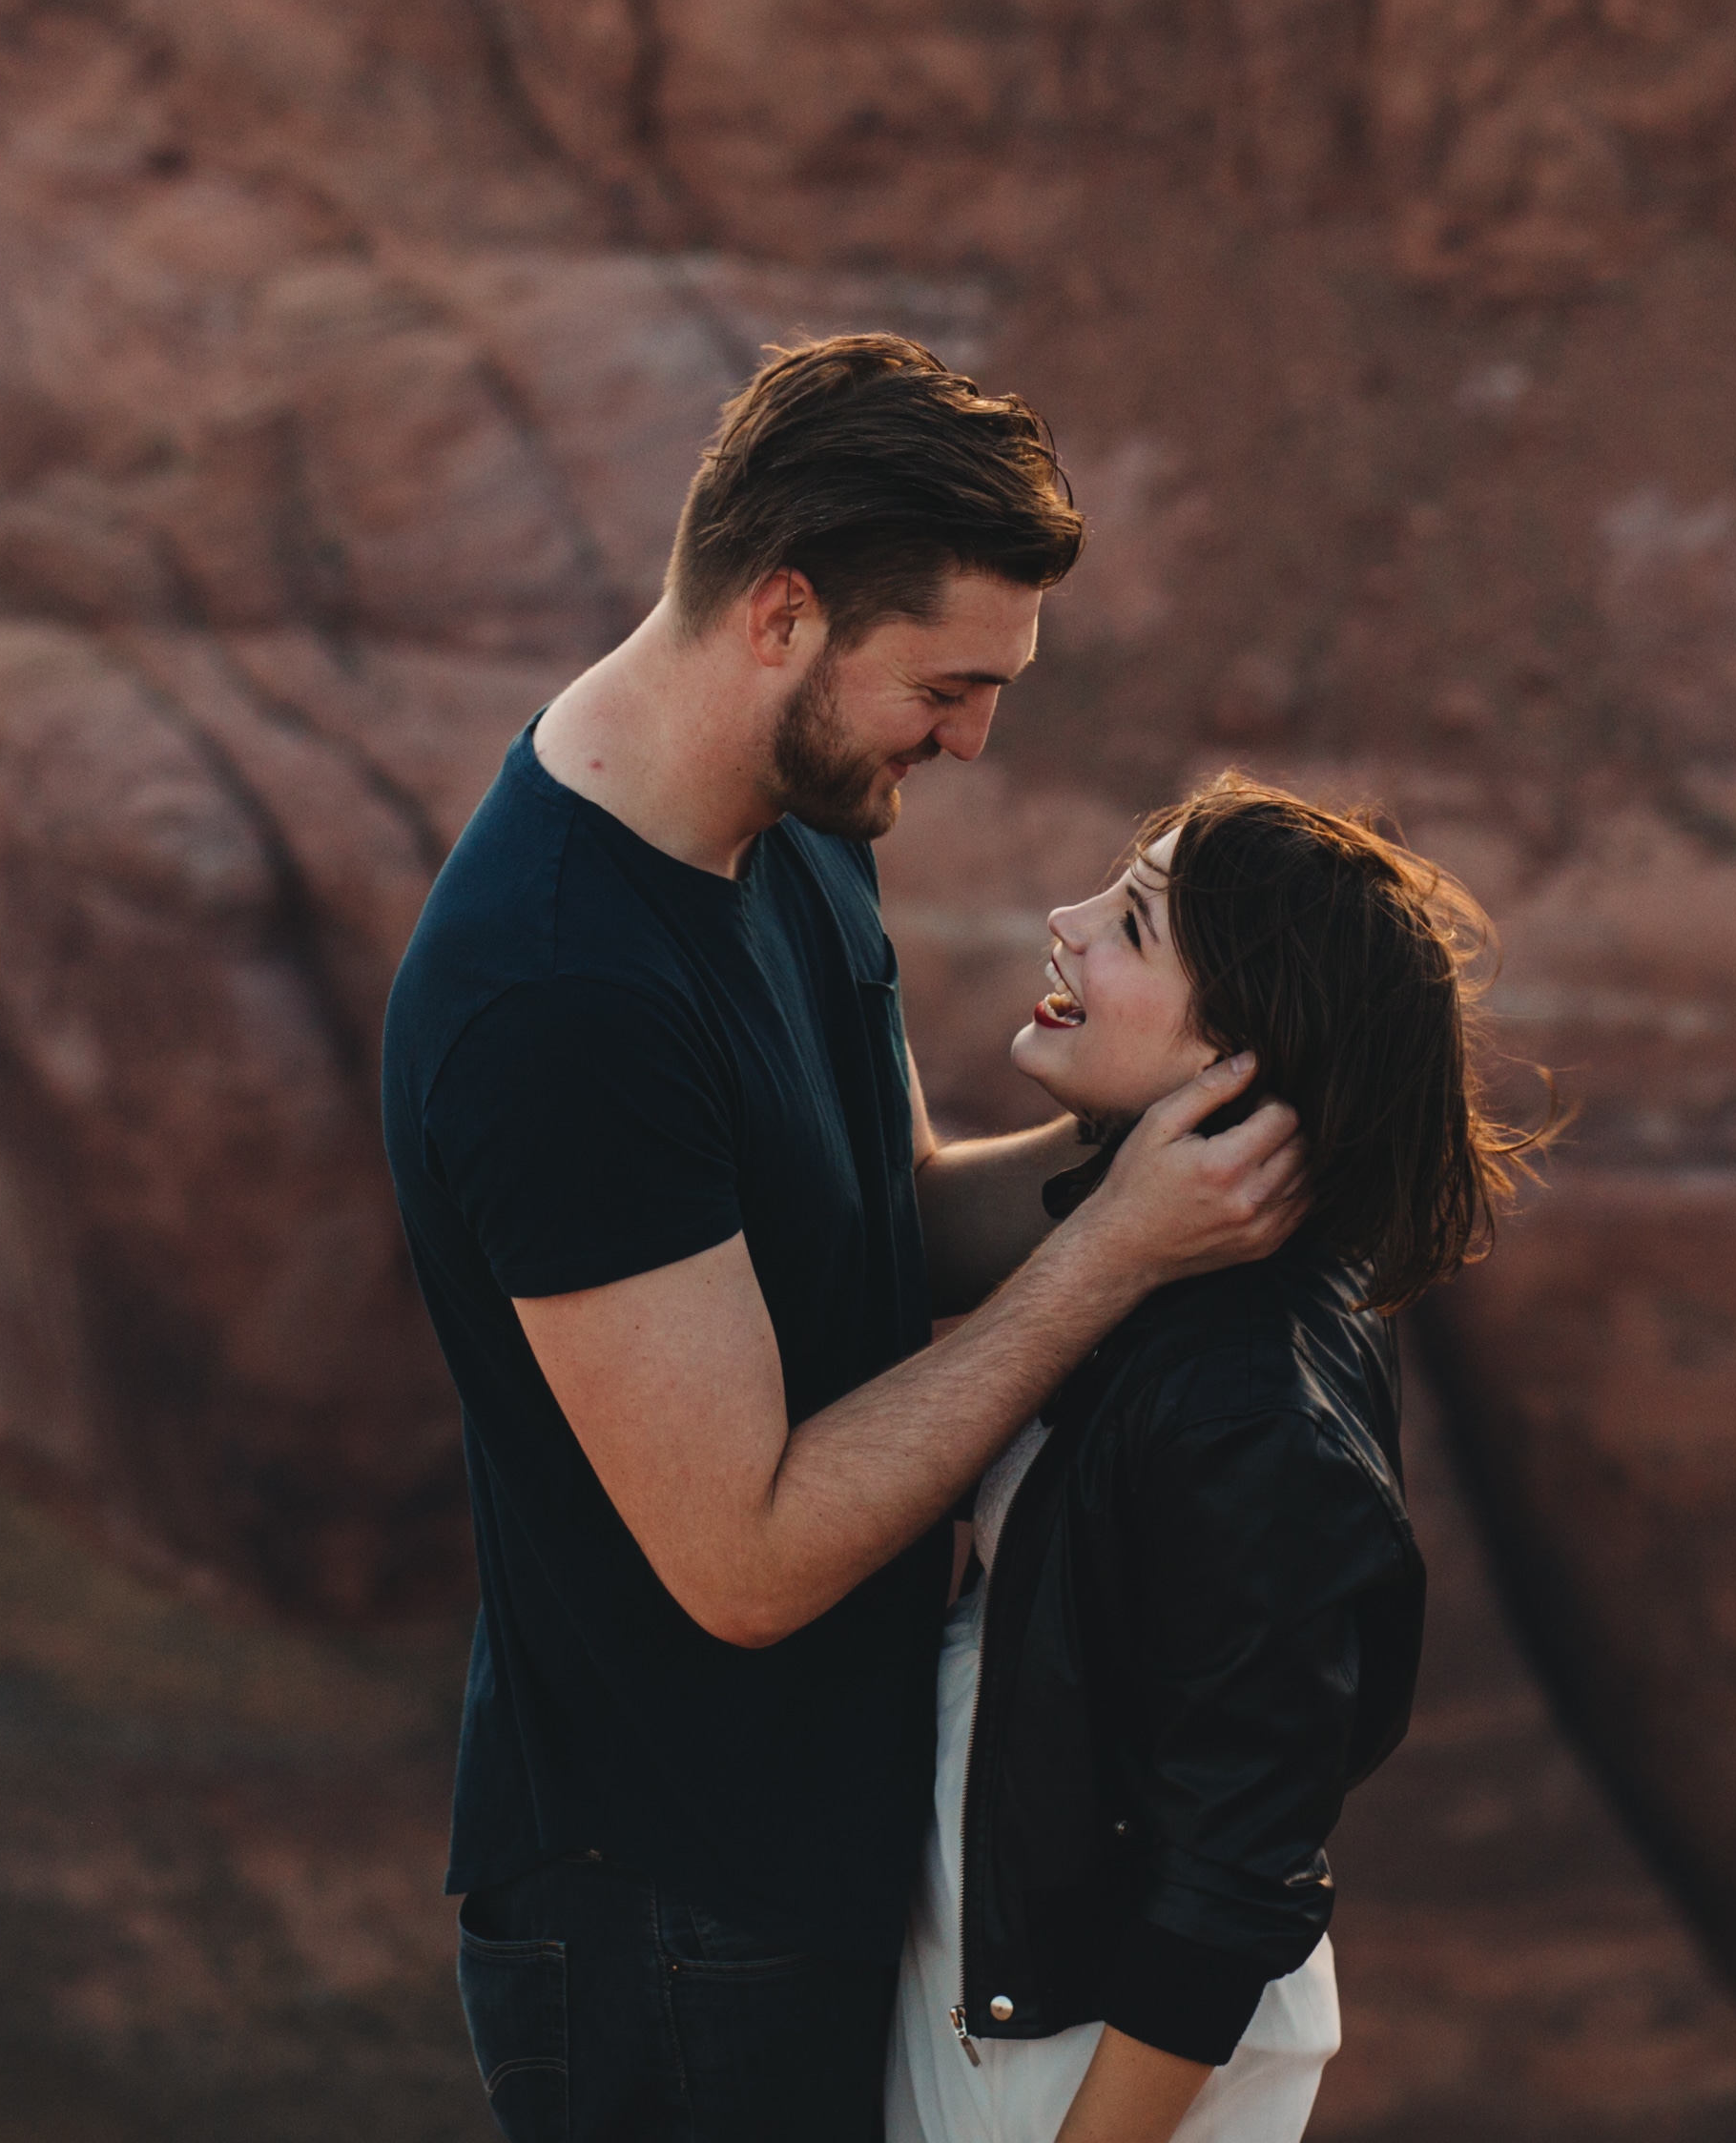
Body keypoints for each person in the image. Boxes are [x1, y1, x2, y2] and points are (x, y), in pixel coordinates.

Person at [382, 337, 1312, 2143]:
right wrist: (1111, 1257)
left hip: (824, 1832)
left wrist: (1157, 1147)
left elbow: (897, 1206)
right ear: (784, 614)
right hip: (667, 1903)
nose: (972, 740)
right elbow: (746, 1557)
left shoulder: (793, 821)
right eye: (950, 687)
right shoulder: (561, 996)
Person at [892, 775, 1542, 2143]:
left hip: (1088, 2070)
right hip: (1027, 2013)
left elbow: (1242, 1870)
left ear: (1239, 1056)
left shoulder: (1248, 1399)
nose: (1065, 923)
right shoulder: (1181, 1281)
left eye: (1132, 927)